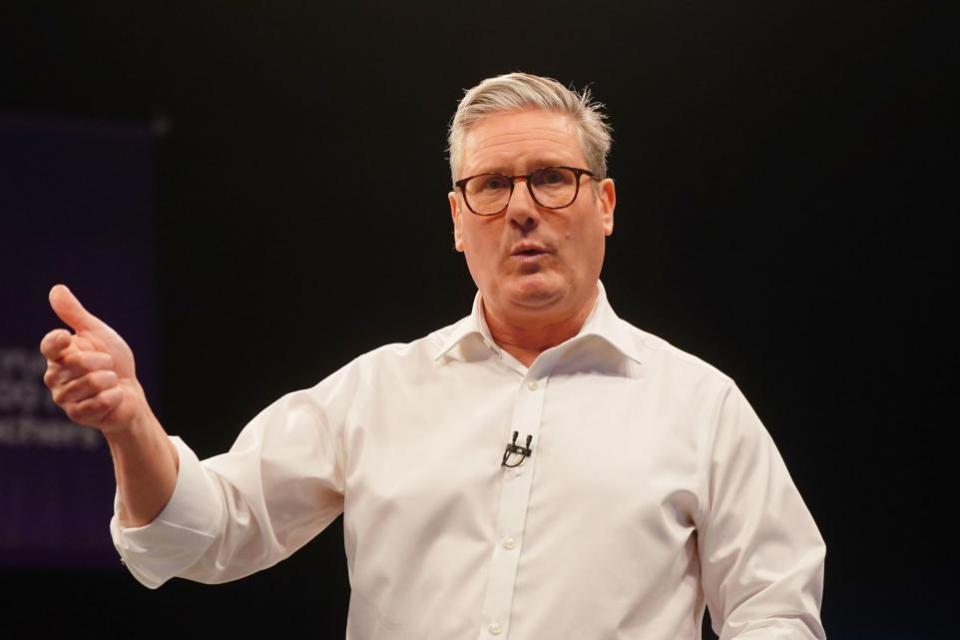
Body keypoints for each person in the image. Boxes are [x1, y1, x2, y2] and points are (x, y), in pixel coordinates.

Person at [40, 72, 826, 639]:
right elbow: (206, 532)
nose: (522, 209)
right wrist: (130, 425)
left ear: (606, 204)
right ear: (458, 219)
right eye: (491, 186)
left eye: (553, 179)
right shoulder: (379, 392)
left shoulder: (699, 406)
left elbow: (776, 612)